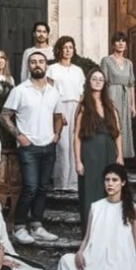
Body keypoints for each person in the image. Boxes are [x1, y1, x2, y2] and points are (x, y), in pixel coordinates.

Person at [0, 51, 64, 246]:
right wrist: (19, 136)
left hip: (48, 145)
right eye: (33, 62)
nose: (37, 65)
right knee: (30, 187)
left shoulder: (54, 91)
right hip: (28, 147)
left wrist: (57, 135)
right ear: (28, 66)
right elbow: (4, 115)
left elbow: (59, 115)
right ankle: (19, 227)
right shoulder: (20, 90)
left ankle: (37, 225)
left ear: (46, 66)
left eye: (41, 62)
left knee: (43, 187)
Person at [73, 67, 123, 234]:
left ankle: (108, 230)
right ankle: (90, 231)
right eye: (94, 79)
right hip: (89, 153)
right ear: (89, 82)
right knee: (90, 191)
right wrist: (78, 161)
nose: (97, 82)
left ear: (104, 83)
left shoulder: (110, 106)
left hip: (108, 152)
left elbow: (117, 133)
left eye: (100, 79)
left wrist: (120, 155)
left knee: (108, 189)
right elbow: (76, 135)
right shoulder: (83, 106)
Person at [49, 36, 86, 190]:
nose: (68, 50)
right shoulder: (53, 69)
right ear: (60, 49)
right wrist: (57, 112)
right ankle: (61, 183)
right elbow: (50, 92)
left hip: (76, 108)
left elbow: (82, 93)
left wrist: (81, 111)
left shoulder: (78, 70)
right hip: (60, 107)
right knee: (63, 147)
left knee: (75, 144)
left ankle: (73, 183)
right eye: (65, 47)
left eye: (70, 47)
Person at [100, 32, 136, 160]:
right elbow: (102, 82)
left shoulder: (129, 63)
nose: (121, 43)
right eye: (118, 41)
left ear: (126, 45)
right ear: (113, 44)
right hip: (112, 95)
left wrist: (133, 105)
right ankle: (110, 155)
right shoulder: (106, 61)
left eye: (123, 41)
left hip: (125, 97)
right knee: (112, 124)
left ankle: (121, 157)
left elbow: (131, 84)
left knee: (124, 126)